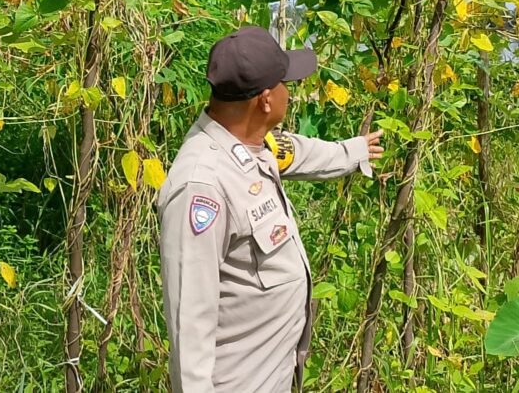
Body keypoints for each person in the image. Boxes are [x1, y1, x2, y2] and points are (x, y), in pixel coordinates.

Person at [157, 26, 384, 393]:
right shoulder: (201, 187)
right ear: (265, 100)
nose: (289, 92)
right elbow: (190, 330)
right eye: (285, 83)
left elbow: (298, 151)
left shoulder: (250, 143)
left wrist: (353, 152)